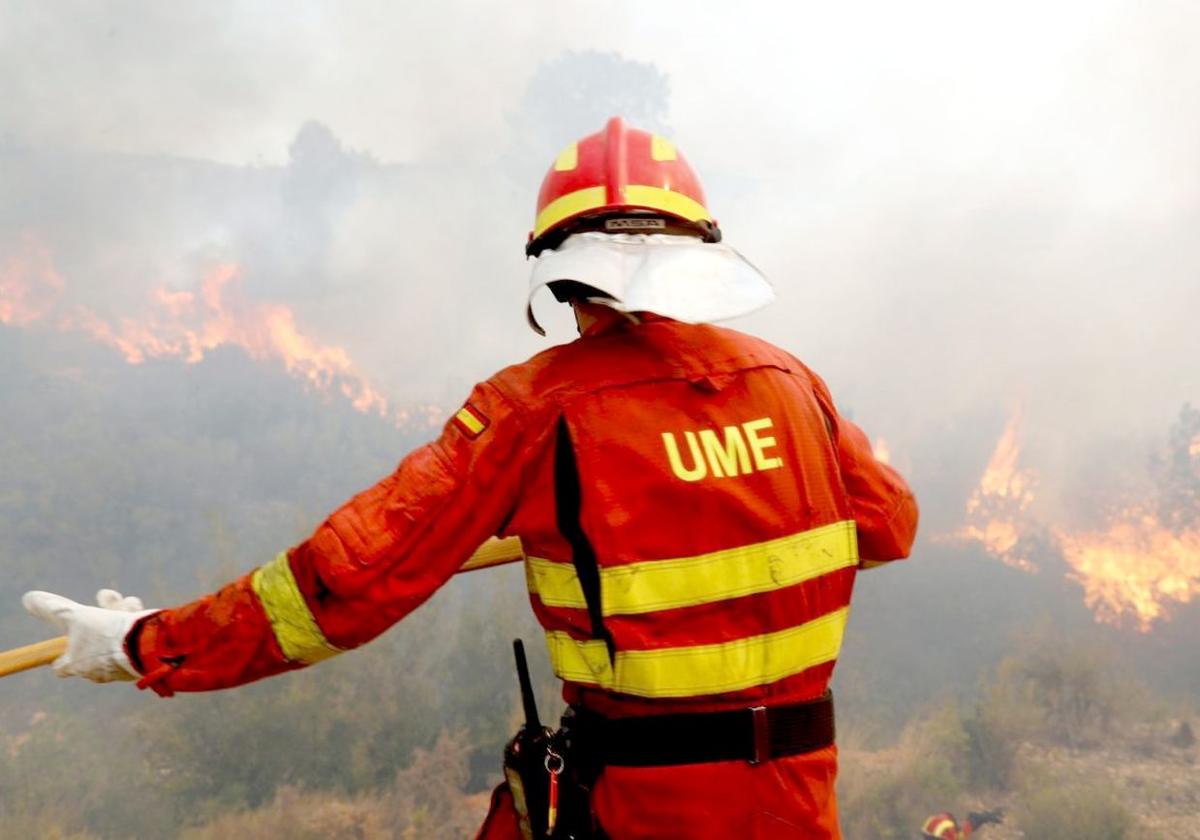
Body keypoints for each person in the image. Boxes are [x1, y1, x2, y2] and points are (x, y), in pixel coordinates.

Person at [23, 117, 918, 839]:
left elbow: (344, 583)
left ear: (563, 278)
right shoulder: (792, 384)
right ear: (698, 252)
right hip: (800, 801)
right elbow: (888, 526)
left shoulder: (538, 411)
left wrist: (148, 643)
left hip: (644, 810)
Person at [920, 809, 1005, 839]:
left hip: (937, 830)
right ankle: (982, 817)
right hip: (938, 830)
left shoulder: (954, 833)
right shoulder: (952, 833)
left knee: (967, 828)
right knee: (966, 829)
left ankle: (982, 817)